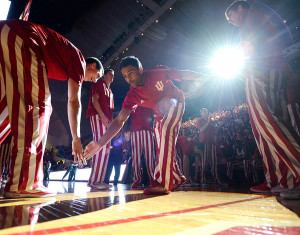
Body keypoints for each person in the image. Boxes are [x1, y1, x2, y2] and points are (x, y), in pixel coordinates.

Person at [0, 19, 103, 198]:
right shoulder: (78, 59)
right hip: (23, 38)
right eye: (96, 76)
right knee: (40, 106)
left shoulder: (65, 53)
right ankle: (24, 183)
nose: (93, 81)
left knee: (7, 107)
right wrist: (76, 138)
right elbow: (73, 100)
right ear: (92, 65)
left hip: (6, 32)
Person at [84, 56, 204, 195]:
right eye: (124, 76)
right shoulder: (132, 95)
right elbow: (120, 120)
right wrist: (100, 143)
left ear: (140, 70)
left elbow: (183, 74)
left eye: (130, 73)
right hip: (159, 115)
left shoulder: (157, 72)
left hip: (176, 102)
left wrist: (207, 77)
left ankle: (162, 182)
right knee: (160, 144)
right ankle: (176, 177)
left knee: (165, 131)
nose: (128, 79)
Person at [225, 1, 300, 197]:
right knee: (262, 129)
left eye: (230, 16)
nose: (231, 21)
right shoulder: (261, 17)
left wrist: (248, 69)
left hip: (259, 72)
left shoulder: (250, 18)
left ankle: (293, 172)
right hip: (273, 70)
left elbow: (249, 48)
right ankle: (280, 179)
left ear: (240, 7)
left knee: (268, 124)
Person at [86, 69, 114, 190]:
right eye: (109, 73)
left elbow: (110, 108)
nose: (111, 76)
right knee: (99, 145)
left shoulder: (110, 90)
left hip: (106, 118)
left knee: (105, 148)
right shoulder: (99, 84)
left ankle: (100, 180)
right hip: (98, 116)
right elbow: (94, 100)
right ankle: (94, 181)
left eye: (113, 74)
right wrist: (102, 116)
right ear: (104, 75)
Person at [130, 106, 156, 188]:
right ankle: (137, 180)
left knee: (150, 156)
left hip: (147, 130)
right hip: (135, 130)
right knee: (136, 157)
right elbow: (126, 113)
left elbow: (155, 114)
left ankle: (153, 179)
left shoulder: (149, 98)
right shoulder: (132, 99)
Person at [196, 108, 219, 184]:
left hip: (211, 142)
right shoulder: (199, 121)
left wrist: (220, 126)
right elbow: (201, 130)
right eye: (203, 111)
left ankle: (216, 178)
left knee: (213, 160)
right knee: (204, 161)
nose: (205, 112)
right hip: (204, 142)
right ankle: (202, 178)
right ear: (201, 113)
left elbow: (214, 132)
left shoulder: (211, 121)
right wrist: (208, 122)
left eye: (206, 111)